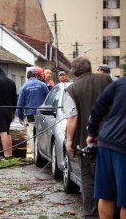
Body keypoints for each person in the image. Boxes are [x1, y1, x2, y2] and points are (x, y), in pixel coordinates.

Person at [64, 56, 112, 219]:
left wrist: (69, 140)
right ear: (90, 68)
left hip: (86, 141)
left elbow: (72, 118)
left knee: (89, 180)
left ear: (74, 73)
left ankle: (92, 215)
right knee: (111, 178)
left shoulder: (72, 89)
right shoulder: (107, 79)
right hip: (112, 139)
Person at [86, 77, 126, 219]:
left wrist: (92, 133)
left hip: (106, 142)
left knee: (107, 195)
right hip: (123, 148)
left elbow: (98, 106)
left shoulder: (120, 83)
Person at [16, 68, 49, 157]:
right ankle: (44, 153)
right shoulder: (43, 85)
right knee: (42, 133)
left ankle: (35, 155)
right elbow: (48, 100)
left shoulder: (24, 87)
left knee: (31, 133)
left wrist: (20, 116)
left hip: (30, 114)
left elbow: (20, 103)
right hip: (42, 114)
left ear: (27, 77)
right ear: (35, 75)